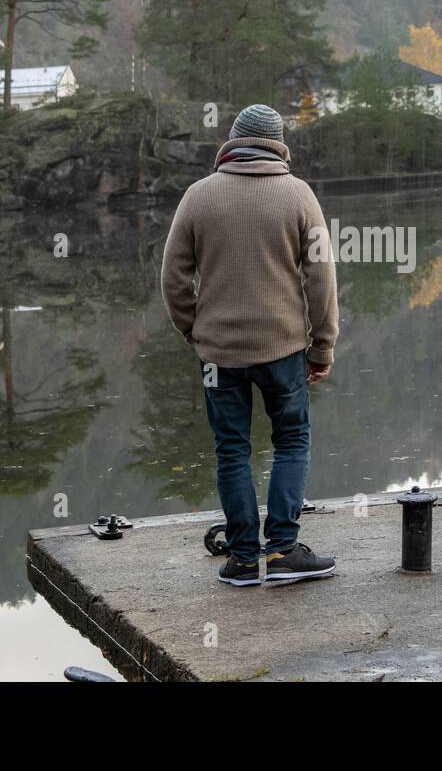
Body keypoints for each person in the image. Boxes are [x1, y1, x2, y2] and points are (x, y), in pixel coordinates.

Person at [161, 104, 339, 587]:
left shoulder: (198, 196)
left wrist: (194, 331)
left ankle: (242, 560)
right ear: (278, 145)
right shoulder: (299, 195)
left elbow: (173, 276)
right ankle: (282, 553)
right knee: (292, 442)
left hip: (219, 356)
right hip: (283, 350)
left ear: (233, 141)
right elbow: (321, 278)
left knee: (232, 450)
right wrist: (321, 348)